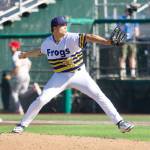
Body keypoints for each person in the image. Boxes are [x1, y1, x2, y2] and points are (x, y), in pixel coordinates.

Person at [12, 16, 134, 133]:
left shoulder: (72, 37)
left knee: (99, 95)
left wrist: (107, 42)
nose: (65, 26)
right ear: (54, 28)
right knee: (42, 99)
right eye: (62, 25)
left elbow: (89, 37)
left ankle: (120, 123)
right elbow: (40, 51)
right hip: (60, 76)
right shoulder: (47, 43)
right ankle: (22, 125)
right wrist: (25, 54)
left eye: (66, 24)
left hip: (79, 74)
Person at [5, 40, 42, 115]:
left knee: (14, 93)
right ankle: (33, 88)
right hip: (26, 76)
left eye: (12, 46)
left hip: (19, 76)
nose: (10, 47)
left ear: (16, 47)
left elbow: (17, 68)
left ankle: (19, 110)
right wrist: (25, 72)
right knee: (22, 93)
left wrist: (10, 75)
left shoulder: (15, 55)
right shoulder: (22, 53)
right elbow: (30, 64)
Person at [118, 5, 140, 80]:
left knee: (132, 57)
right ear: (125, 11)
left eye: (130, 11)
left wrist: (135, 35)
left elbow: (137, 31)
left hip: (131, 41)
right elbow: (120, 28)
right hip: (123, 40)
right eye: (128, 10)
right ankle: (122, 74)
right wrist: (126, 19)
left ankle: (133, 74)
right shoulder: (121, 18)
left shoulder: (134, 19)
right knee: (123, 57)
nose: (129, 12)